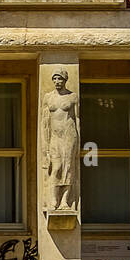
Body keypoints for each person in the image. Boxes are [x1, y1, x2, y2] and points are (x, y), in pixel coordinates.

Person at [41, 69, 80, 212]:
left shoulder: (72, 97)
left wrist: (78, 144)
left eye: (60, 79)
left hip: (69, 135)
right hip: (55, 136)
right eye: (55, 79)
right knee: (56, 167)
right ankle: (53, 200)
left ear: (65, 80)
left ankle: (65, 201)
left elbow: (77, 119)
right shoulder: (48, 97)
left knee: (68, 167)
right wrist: (44, 145)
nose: (57, 82)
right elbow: (44, 122)